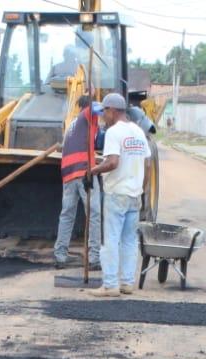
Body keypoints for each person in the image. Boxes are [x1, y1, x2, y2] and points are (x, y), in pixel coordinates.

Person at [89, 92, 149, 297]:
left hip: (117, 193)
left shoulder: (114, 133)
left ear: (112, 110)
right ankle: (127, 283)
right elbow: (146, 164)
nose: (103, 115)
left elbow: (113, 162)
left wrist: (93, 170)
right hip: (135, 194)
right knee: (130, 240)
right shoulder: (139, 132)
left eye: (104, 111)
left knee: (111, 240)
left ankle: (110, 285)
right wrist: (142, 189)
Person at [54, 95, 103, 269]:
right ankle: (94, 258)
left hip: (68, 174)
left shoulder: (72, 125)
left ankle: (60, 256)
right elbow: (100, 108)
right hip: (84, 172)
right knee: (95, 213)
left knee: (67, 214)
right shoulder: (87, 114)